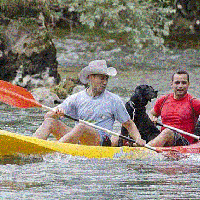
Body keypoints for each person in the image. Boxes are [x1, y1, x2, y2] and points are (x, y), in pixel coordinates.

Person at [33, 60, 146, 147]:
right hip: (76, 137)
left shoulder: (114, 100)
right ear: (91, 77)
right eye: (102, 78)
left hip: (99, 140)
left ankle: (55, 150)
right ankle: (33, 145)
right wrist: (55, 114)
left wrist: (138, 138)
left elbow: (128, 124)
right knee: (50, 122)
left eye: (106, 79)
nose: (105, 82)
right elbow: (47, 116)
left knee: (82, 126)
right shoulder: (76, 98)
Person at [148, 70, 200, 147]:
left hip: (185, 142)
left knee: (168, 132)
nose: (180, 86)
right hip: (165, 138)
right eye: (177, 83)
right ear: (172, 84)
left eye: (184, 83)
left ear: (188, 84)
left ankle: (145, 150)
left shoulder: (194, 102)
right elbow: (151, 113)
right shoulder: (163, 100)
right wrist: (152, 118)